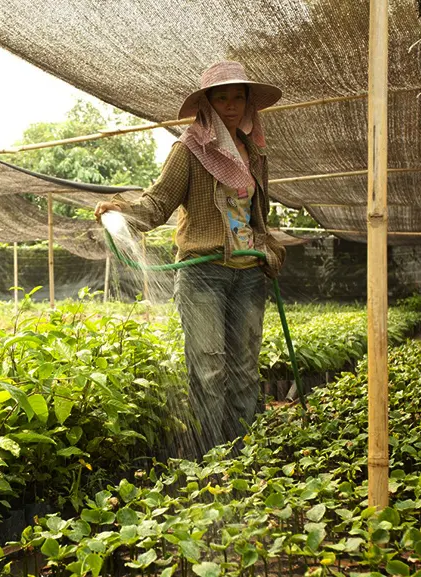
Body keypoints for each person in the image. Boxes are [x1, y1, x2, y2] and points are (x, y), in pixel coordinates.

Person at [94, 61, 287, 457]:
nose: (230, 105)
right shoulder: (190, 150)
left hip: (249, 273)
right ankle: (214, 459)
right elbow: (158, 203)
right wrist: (118, 211)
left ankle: (245, 456)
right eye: (222, 97)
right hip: (204, 273)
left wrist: (268, 247)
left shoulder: (253, 153)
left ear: (249, 103)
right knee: (209, 369)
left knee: (244, 370)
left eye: (238, 97)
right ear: (208, 104)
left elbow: (257, 216)